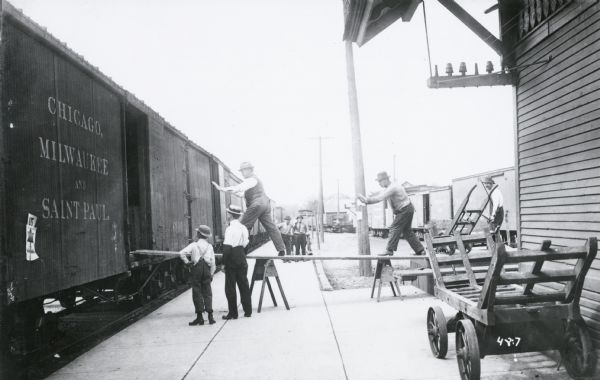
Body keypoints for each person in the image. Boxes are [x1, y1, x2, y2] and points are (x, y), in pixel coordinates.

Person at [213, 162, 286, 257]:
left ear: (250, 170)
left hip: (257, 205)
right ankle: (281, 249)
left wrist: (222, 189)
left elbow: (239, 188)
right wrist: (233, 192)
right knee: (271, 227)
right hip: (265, 205)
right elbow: (242, 194)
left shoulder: (251, 179)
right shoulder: (254, 182)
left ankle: (241, 251)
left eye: (243, 171)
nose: (242, 173)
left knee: (242, 226)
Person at [357, 171, 425, 256]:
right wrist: (368, 198)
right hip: (407, 208)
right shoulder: (390, 187)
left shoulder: (392, 187)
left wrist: (366, 200)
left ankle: (389, 250)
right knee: (407, 232)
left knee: (394, 227)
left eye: (379, 181)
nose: (379, 184)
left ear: (385, 180)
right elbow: (379, 195)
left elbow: (379, 198)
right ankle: (420, 250)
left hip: (405, 209)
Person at [179, 225, 216, 326]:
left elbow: (181, 253)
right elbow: (213, 263)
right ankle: (210, 316)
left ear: (199, 234)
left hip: (196, 269)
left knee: (197, 292)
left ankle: (200, 318)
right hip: (207, 270)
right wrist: (211, 274)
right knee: (208, 292)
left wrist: (187, 262)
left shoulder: (194, 245)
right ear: (207, 236)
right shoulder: (210, 246)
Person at [221, 204, 252, 320]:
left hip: (231, 259)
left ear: (230, 215)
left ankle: (233, 313)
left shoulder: (229, 229)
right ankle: (248, 311)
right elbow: (246, 244)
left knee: (230, 287)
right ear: (238, 216)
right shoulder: (243, 228)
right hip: (241, 257)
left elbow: (227, 248)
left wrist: (223, 263)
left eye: (227, 214)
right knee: (244, 285)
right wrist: (242, 255)